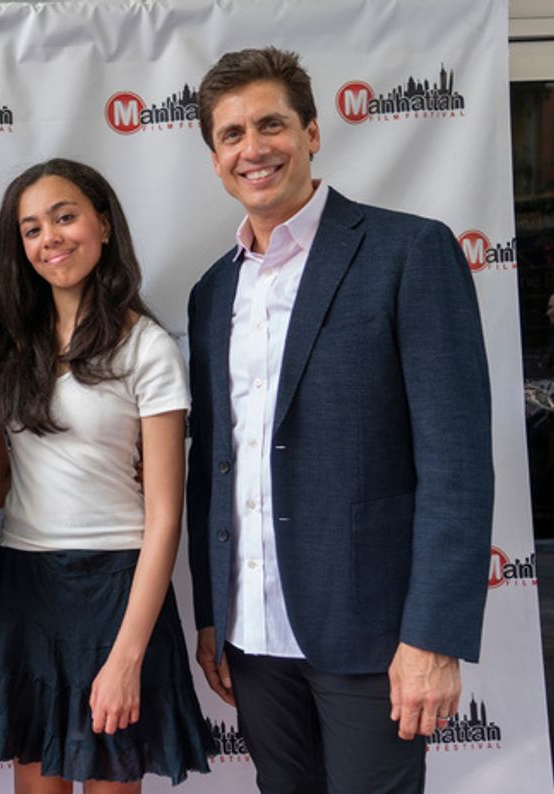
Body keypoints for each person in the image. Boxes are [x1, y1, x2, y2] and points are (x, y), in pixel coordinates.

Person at [185, 47, 493, 792]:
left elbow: (456, 461)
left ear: (313, 131)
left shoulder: (408, 251)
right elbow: (212, 468)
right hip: (252, 637)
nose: (252, 149)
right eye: (231, 135)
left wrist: (432, 636)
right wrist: (210, 616)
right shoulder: (211, 292)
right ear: (215, 156)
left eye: (271, 125)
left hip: (375, 637)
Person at [0, 158, 214, 792]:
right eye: (30, 229)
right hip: (25, 583)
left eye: (65, 216)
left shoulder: (146, 347)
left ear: (102, 224)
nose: (49, 237)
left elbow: (165, 513)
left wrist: (128, 654)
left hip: (118, 589)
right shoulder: (9, 345)